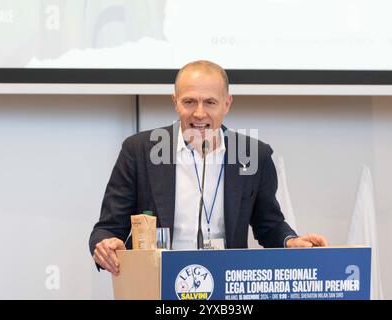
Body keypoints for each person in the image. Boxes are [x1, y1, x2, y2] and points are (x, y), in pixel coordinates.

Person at [89, 60, 328, 275]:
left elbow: (269, 224)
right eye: (189, 101)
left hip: (227, 282)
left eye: (210, 102)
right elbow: (108, 228)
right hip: (157, 280)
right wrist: (107, 244)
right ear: (175, 102)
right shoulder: (140, 150)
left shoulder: (254, 154)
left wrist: (290, 241)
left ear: (227, 104)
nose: (199, 113)